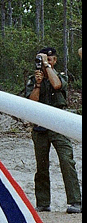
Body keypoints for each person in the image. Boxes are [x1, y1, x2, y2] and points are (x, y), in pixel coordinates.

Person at [25, 47, 82, 214]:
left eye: (49, 60)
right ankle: (43, 202)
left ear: (54, 60)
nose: (45, 63)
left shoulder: (60, 76)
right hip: (40, 125)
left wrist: (47, 68)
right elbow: (31, 102)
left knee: (67, 161)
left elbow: (57, 85)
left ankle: (75, 201)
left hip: (59, 123)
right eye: (43, 60)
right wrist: (37, 84)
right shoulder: (33, 79)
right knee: (41, 165)